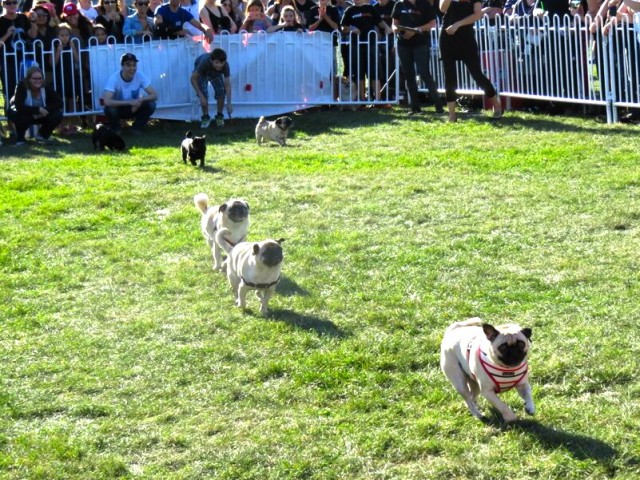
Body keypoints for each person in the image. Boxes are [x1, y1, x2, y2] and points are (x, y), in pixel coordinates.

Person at [439, 0, 502, 122]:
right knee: (449, 76)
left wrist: (458, 24)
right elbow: (442, 8)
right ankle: (452, 114)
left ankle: (497, 106)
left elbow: (477, 15)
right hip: (447, 35)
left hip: (466, 37)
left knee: (477, 74)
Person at [392, 0, 443, 114]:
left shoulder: (424, 4)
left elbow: (432, 23)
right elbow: (394, 23)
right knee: (409, 75)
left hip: (421, 43)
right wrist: (397, 29)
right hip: (403, 44)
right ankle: (415, 107)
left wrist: (416, 30)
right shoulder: (399, 4)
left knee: (424, 73)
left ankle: (438, 104)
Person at [340, 0, 392, 103]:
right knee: (359, 72)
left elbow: (379, 21)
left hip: (371, 43)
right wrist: (351, 29)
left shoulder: (370, 8)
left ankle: (378, 100)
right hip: (356, 44)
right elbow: (343, 27)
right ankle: (362, 100)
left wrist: (386, 27)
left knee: (374, 71)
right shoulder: (349, 10)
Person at [102, 52, 158, 133]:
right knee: (109, 109)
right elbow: (106, 101)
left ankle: (136, 128)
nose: (132, 68)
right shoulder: (114, 78)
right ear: (122, 66)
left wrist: (141, 100)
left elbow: (155, 95)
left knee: (151, 105)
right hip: (119, 108)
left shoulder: (140, 75)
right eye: (128, 65)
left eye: (134, 65)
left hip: (135, 106)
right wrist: (130, 103)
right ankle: (116, 129)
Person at [7, 65, 63, 145]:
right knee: (19, 115)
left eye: (40, 78)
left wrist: (45, 110)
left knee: (57, 115)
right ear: (29, 79)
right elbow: (19, 107)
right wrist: (37, 110)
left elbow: (59, 103)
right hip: (23, 114)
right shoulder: (22, 86)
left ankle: (42, 135)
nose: (38, 81)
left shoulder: (46, 86)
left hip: (40, 115)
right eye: (35, 78)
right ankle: (20, 138)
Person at [0, 0, 38, 109]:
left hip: (25, 60)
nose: (12, 5)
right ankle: (12, 120)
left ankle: (28, 119)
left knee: (28, 90)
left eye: (14, 2)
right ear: (3, 5)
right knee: (10, 92)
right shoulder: (1, 21)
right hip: (8, 62)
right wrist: (7, 34)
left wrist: (34, 21)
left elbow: (33, 35)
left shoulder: (22, 18)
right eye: (8, 3)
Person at [190, 47, 232, 128]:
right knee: (204, 93)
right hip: (202, 72)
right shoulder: (204, 62)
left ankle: (219, 116)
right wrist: (201, 96)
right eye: (216, 62)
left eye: (221, 63)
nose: (219, 65)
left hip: (215, 73)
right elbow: (193, 78)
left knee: (221, 91)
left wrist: (229, 103)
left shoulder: (225, 66)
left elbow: (227, 84)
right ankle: (205, 117)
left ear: (224, 62)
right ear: (211, 60)